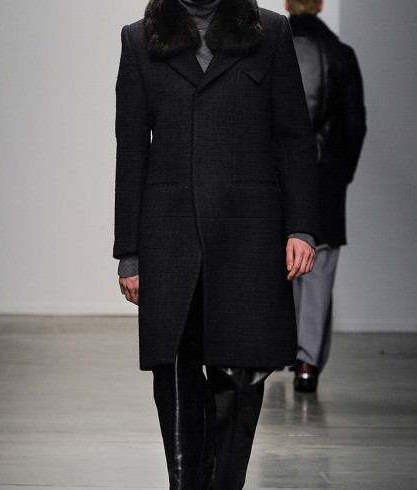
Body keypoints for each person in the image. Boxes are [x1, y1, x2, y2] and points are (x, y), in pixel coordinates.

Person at [114, 0, 319, 488]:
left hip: (250, 232)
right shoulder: (140, 39)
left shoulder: (269, 32)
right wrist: (129, 252)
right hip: (169, 233)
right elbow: (131, 150)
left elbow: (293, 136)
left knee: (242, 376)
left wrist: (302, 227)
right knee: (176, 372)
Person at [285, 0, 367, 393]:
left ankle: (279, 350)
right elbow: (355, 125)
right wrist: (341, 175)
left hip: (279, 176)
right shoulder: (341, 55)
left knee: (278, 263)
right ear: (319, 5)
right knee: (318, 269)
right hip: (326, 177)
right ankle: (306, 363)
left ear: (287, 3)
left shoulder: (271, 49)